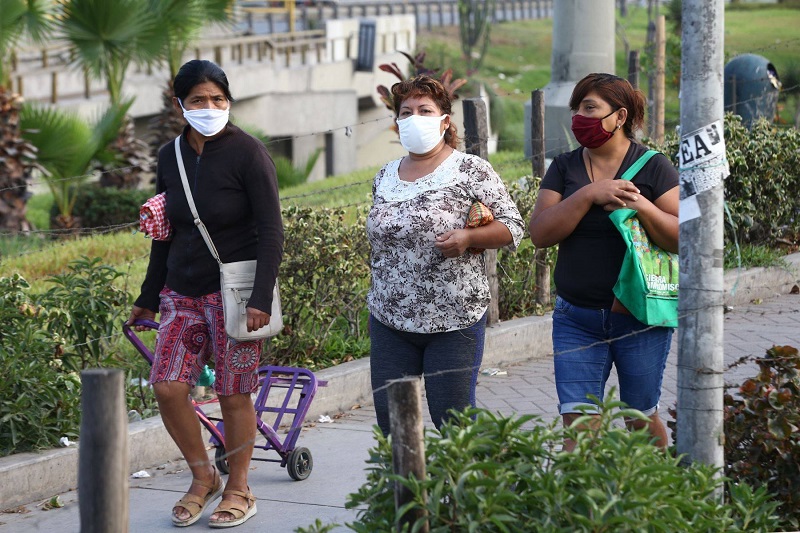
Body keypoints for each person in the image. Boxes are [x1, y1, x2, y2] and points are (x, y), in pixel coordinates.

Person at [127, 59, 283, 528]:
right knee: (167, 386)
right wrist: (148, 296)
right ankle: (203, 478)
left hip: (234, 293)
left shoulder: (249, 153)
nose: (210, 107)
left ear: (228, 101)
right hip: (181, 292)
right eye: (199, 99)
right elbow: (164, 233)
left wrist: (260, 297)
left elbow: (271, 230)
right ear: (180, 105)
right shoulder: (169, 156)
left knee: (234, 392)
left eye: (218, 99)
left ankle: (240, 487)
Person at [528, 73, 679, 450]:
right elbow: (540, 233)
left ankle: (663, 485)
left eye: (590, 108)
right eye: (577, 109)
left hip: (640, 316)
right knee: (578, 423)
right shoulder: (565, 167)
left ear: (620, 116)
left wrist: (641, 205)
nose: (579, 117)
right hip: (576, 318)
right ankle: (582, 489)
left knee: (639, 416)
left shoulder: (654, 167)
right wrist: (588, 195)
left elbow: (683, 237)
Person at [367, 75, 524, 436]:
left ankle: (490, 468)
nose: (414, 118)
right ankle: (405, 478)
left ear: (444, 121)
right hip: (390, 318)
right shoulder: (385, 176)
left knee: (453, 419)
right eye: (406, 112)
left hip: (453, 319)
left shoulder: (470, 169)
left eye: (425, 110)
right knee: (395, 423)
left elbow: (513, 225)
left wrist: (469, 237)